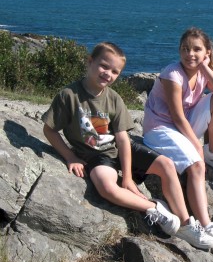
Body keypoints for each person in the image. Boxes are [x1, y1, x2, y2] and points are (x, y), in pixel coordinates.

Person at [41, 41, 202, 246]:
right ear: (90, 62)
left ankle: (186, 224)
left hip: (121, 150)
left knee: (166, 165)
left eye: (115, 71)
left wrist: (127, 177)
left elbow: (123, 139)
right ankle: (153, 208)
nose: (108, 74)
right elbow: (49, 129)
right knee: (106, 185)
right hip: (97, 155)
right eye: (104, 66)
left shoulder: (114, 98)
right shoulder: (69, 95)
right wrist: (70, 156)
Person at [142, 27, 213, 252]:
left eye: (196, 49)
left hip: (181, 127)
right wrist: (196, 147)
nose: (189, 54)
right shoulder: (172, 74)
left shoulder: (203, 71)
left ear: (207, 52)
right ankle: (204, 225)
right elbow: (176, 116)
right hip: (161, 128)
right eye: (185, 49)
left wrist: (205, 66)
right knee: (195, 165)